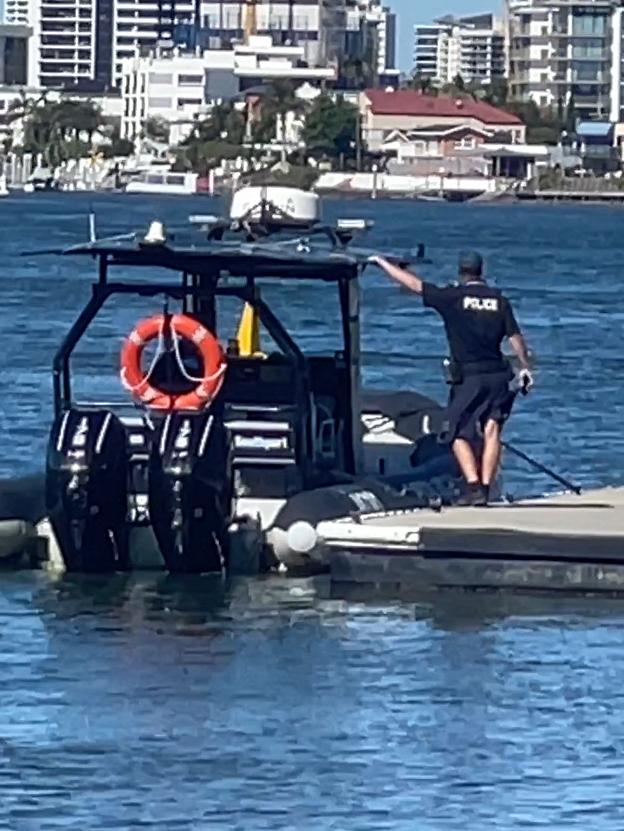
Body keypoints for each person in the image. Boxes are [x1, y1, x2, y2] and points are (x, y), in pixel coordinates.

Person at [369, 250, 533, 506]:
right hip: (499, 375)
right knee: (492, 429)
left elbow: (414, 285)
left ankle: (473, 486)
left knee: (454, 431)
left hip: (469, 377)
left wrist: (383, 264)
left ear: (461, 272)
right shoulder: (500, 301)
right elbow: (516, 339)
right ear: (481, 272)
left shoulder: (453, 297)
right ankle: (488, 487)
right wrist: (525, 368)